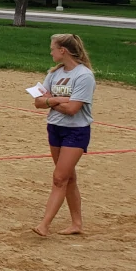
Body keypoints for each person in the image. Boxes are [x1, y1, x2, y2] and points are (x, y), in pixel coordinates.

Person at [31, 34, 96, 237]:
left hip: (76, 131)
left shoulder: (84, 76)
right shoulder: (54, 73)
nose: (50, 52)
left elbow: (73, 109)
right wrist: (59, 99)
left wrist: (51, 100)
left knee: (60, 178)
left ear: (63, 51)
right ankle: (77, 223)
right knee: (69, 177)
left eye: (53, 48)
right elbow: (37, 101)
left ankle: (44, 224)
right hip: (55, 128)